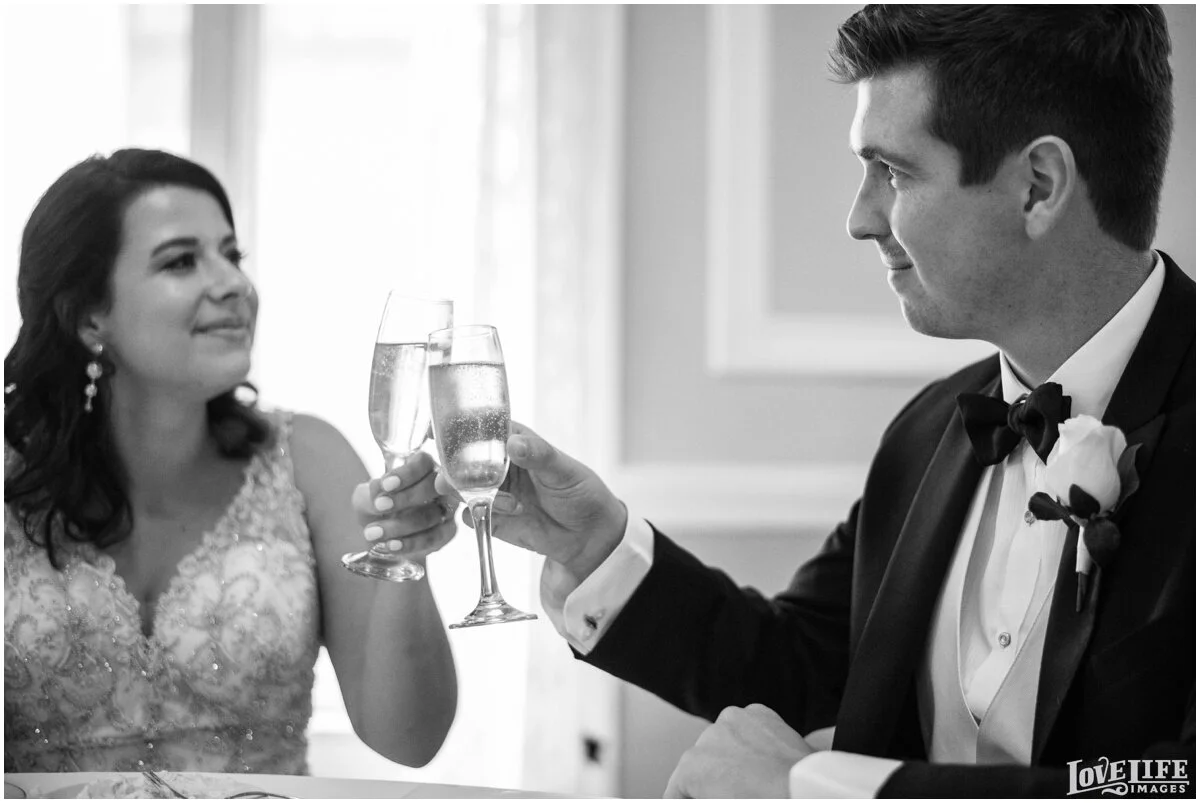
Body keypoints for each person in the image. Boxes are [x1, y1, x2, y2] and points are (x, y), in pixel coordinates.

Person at [374, 4, 1195, 798]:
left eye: (893, 171)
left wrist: (817, 788)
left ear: (1038, 186)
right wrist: (598, 547)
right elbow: (803, 665)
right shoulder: (927, 433)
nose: (860, 218)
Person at [4, 148, 460, 774]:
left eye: (232, 255)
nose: (235, 285)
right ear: (88, 317)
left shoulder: (309, 462)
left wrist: (410, 557)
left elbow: (409, 740)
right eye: (181, 261)